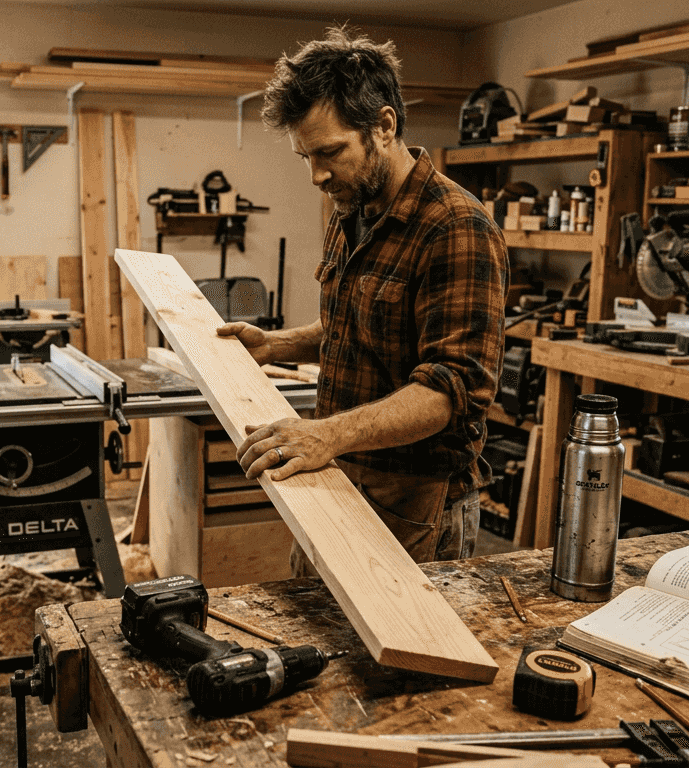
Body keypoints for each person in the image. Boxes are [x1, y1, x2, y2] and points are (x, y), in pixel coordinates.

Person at [216, 26, 508, 570]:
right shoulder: (353, 209)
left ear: (384, 125)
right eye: (305, 156)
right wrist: (275, 346)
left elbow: (453, 389)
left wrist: (327, 434)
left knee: (397, 650)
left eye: (329, 152)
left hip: (414, 496)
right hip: (337, 469)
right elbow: (356, 324)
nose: (316, 175)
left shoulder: (455, 227)